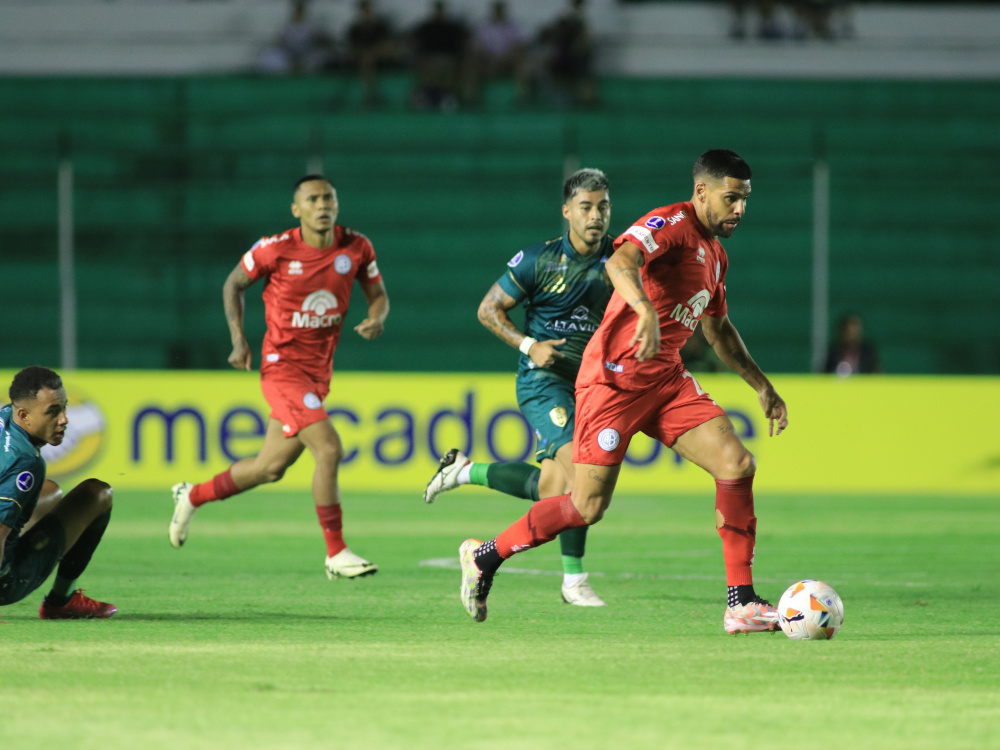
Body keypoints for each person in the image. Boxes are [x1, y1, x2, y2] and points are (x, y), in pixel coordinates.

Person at [457, 150, 790, 634]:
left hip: (666, 381)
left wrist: (763, 386)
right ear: (702, 192)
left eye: (745, 199)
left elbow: (718, 331)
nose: (739, 209)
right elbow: (621, 260)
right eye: (730, 198)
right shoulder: (671, 223)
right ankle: (485, 556)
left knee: (737, 464)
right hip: (613, 381)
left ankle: (740, 603)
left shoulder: (716, 256)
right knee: (586, 506)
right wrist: (644, 309)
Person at [169, 175, 389, 581]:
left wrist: (376, 318)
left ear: (337, 204)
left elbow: (378, 296)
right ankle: (336, 552)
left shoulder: (357, 247)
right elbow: (233, 284)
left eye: (328, 198)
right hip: (282, 368)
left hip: (318, 373)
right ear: (296, 209)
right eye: (313, 199)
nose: (322, 205)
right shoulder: (276, 249)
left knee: (269, 468)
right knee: (329, 449)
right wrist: (238, 339)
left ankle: (192, 495)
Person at [424, 168, 615, 607]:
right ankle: (574, 581)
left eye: (603, 207)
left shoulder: (621, 259)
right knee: (583, 478)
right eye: (586, 207)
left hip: (592, 386)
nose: (595, 216)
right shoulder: (538, 260)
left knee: (551, 489)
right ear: (567, 211)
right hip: (543, 382)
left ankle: (463, 470)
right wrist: (530, 345)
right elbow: (488, 310)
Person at [0, 366, 116, 619]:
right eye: (53, 411)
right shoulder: (23, 462)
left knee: (50, 491)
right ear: (24, 415)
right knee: (97, 493)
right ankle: (61, 601)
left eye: (64, 408)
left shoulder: (6, 417)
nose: (64, 419)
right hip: (4, 581)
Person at [409, 0, 470, 110]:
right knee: (429, 64)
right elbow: (414, 41)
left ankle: (446, 96)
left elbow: (463, 43)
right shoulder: (426, 27)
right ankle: (427, 95)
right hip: (428, 58)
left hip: (449, 58)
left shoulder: (453, 27)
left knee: (446, 64)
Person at [345, 0, 397, 108]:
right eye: (363, 11)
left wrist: (372, 51)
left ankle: (369, 93)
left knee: (368, 57)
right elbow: (352, 48)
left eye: (368, 10)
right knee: (366, 59)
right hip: (363, 58)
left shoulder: (381, 27)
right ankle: (370, 92)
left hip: (381, 56)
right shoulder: (355, 29)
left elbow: (388, 46)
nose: (365, 13)